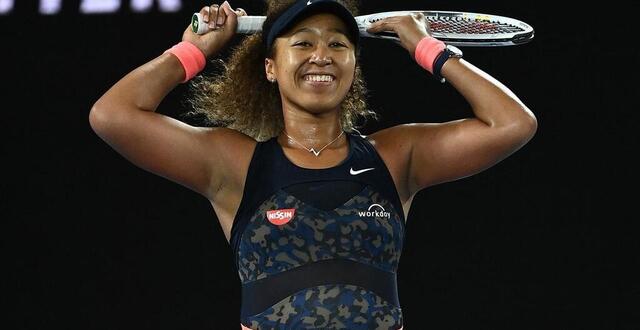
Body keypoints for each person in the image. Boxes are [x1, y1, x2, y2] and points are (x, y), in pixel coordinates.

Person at [89, 0, 537, 328]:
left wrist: (427, 48)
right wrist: (193, 52)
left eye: (338, 44)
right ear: (270, 67)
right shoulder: (235, 164)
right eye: (302, 42)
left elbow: (512, 124)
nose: (321, 55)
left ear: (353, 65)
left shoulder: (396, 157)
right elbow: (113, 116)